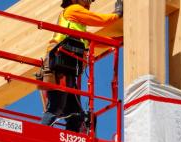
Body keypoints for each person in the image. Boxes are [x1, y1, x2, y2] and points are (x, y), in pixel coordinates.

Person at [39, 0, 122, 132]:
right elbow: (100, 19)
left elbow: (94, 41)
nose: (89, 2)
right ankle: (40, 135)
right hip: (59, 64)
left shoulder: (77, 27)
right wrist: (117, 14)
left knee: (76, 115)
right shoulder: (73, 10)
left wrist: (121, 40)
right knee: (56, 107)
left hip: (68, 67)